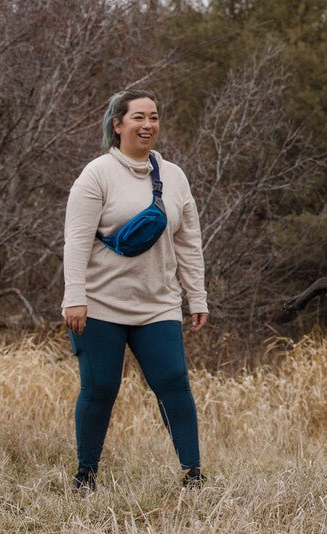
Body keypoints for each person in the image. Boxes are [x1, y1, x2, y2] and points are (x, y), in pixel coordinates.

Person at [62, 89, 208, 491]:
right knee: (101, 387)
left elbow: (188, 240)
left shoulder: (174, 176)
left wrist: (197, 297)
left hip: (157, 304)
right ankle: (86, 474)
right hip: (100, 305)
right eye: (139, 117)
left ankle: (192, 474)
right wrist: (74, 297)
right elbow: (76, 240)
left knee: (174, 383)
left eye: (154, 117)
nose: (148, 125)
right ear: (118, 124)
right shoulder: (97, 174)